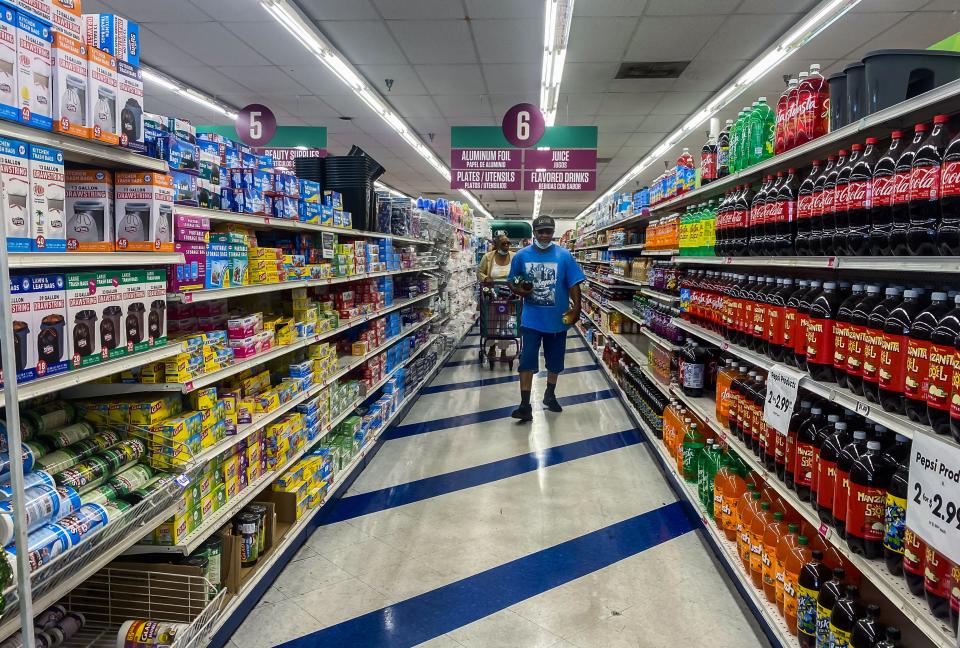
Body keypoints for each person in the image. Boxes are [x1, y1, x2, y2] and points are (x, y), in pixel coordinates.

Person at [508, 215, 585, 421]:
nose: (544, 235)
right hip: (531, 320)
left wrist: (577, 308)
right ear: (534, 232)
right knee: (526, 361)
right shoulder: (521, 256)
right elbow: (513, 280)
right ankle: (525, 404)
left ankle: (550, 395)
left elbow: (574, 283)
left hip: (557, 319)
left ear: (553, 233)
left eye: (548, 232)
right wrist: (520, 289)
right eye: (540, 231)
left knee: (555, 361)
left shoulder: (564, 256)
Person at [476, 231, 516, 363]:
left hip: (509, 296)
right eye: (503, 243)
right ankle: (492, 347)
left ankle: (504, 350)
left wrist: (516, 282)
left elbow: (519, 273)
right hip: (491, 295)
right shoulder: (488, 257)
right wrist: (486, 278)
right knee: (491, 322)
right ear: (496, 244)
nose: (506, 245)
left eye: (508, 243)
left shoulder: (514, 257)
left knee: (505, 323)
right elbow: (479, 272)